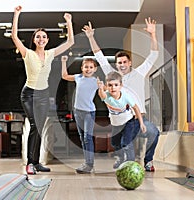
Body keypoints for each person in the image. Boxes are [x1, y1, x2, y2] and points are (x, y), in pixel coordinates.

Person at [82, 17, 160, 171]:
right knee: (122, 144)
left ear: (129, 62)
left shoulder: (139, 73)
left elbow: (153, 56)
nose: (122, 65)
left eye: (125, 62)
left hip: (138, 118)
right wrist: (91, 37)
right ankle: (123, 159)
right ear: (116, 64)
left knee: (154, 133)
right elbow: (99, 56)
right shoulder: (112, 76)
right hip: (120, 120)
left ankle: (148, 161)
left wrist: (152, 34)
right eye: (119, 63)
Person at [11, 5, 74, 175]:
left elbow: (70, 42)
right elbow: (14, 36)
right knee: (34, 125)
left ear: (47, 40)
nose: (41, 39)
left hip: (43, 95)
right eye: (38, 36)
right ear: (34, 40)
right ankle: (30, 164)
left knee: (39, 127)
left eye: (44, 37)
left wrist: (69, 22)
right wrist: (17, 14)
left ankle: (37, 163)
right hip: (29, 94)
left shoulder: (51, 54)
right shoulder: (27, 54)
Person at [97, 71, 146, 169]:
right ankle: (120, 158)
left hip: (128, 122)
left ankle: (131, 164)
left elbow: (136, 108)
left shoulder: (126, 97)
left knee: (126, 143)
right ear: (107, 86)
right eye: (110, 85)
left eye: (116, 85)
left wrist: (141, 123)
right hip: (116, 124)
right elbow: (101, 95)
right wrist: (100, 87)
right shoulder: (107, 96)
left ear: (121, 86)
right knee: (114, 143)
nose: (113, 88)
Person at [61, 55, 98, 174]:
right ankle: (87, 162)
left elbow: (107, 90)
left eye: (91, 67)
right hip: (77, 111)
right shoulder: (78, 77)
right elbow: (64, 76)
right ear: (82, 68)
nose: (88, 69)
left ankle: (89, 164)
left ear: (95, 69)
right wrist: (63, 62)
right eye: (86, 67)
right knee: (82, 138)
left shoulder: (96, 81)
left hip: (89, 112)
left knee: (87, 137)